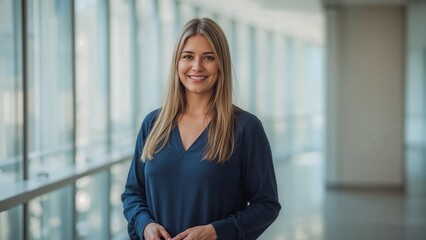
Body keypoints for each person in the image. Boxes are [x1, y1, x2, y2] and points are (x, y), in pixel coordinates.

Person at [122, 17, 281, 240]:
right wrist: (145, 225)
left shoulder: (245, 128)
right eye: (188, 56)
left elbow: (267, 205)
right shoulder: (153, 124)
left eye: (208, 57)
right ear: (177, 62)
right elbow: (132, 193)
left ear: (221, 64)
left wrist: (216, 232)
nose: (197, 66)